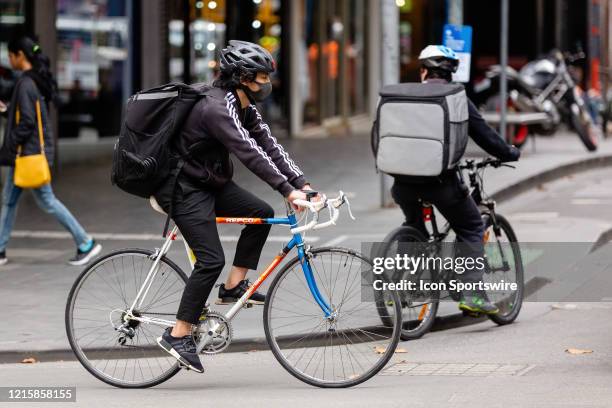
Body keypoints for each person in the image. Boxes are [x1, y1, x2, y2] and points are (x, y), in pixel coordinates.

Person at [154, 40, 317, 373]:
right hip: (182, 187)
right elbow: (249, 153)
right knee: (210, 259)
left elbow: (268, 144)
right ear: (242, 77)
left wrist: (301, 183)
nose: (266, 83)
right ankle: (178, 333)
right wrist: (286, 190)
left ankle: (232, 289)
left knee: (260, 214)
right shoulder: (217, 108)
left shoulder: (242, 104)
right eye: (260, 77)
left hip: (209, 181)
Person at [391, 45, 521, 315]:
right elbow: (484, 135)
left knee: (414, 226)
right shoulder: (457, 97)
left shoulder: (404, 96)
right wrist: (509, 152)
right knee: (472, 225)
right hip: (440, 184)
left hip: (402, 182)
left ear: (424, 71)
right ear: (451, 73)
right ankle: (472, 294)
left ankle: (396, 288)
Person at [0, 36, 101, 266]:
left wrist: (9, 145)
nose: (9, 59)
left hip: (29, 154)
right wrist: (7, 110)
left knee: (47, 200)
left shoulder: (26, 84)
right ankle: (0, 250)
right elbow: (27, 117)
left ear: (20, 56)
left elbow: (27, 122)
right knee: (9, 200)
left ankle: (86, 242)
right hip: (27, 154)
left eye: (10, 55)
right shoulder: (32, 81)